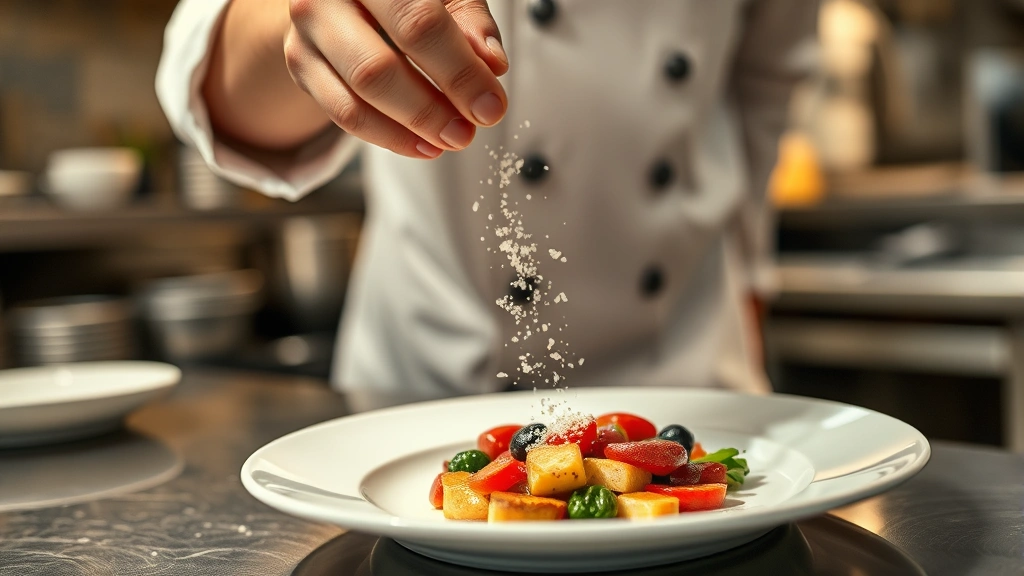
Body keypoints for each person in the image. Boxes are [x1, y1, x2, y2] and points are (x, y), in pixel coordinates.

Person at [157, 0, 818, 408]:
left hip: (688, 375)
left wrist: (754, 281)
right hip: (428, 397)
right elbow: (207, 77)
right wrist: (302, 27)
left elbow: (766, 86)